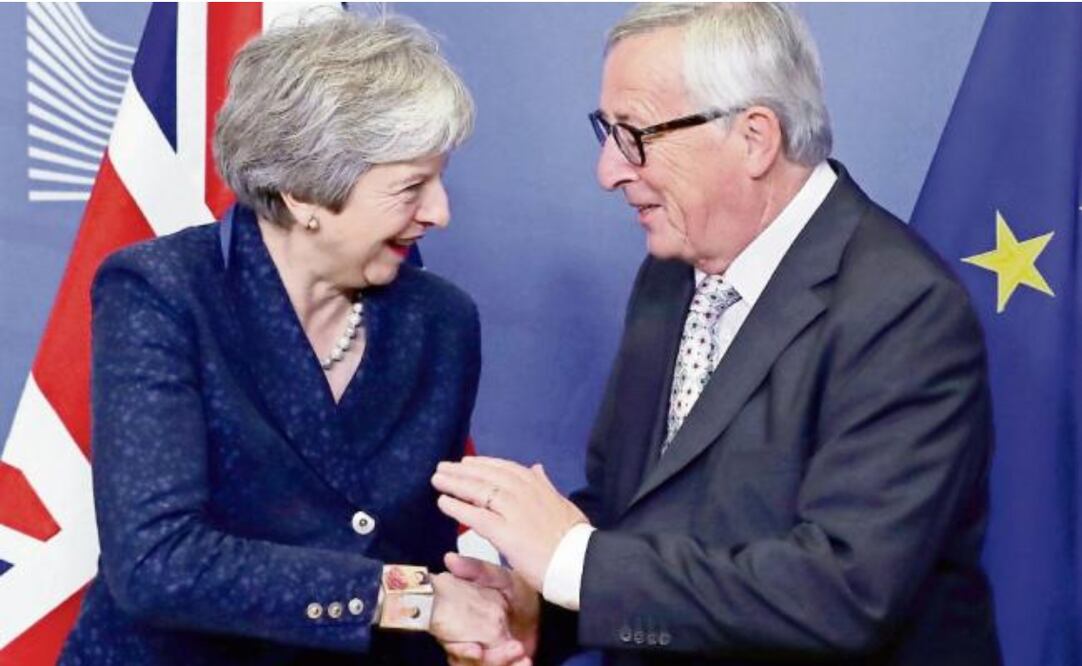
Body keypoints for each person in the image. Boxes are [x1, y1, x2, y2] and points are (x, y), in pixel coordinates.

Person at [432, 3, 1001, 665]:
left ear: (755, 138)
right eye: (607, 132)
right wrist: (540, 608)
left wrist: (574, 565)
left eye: (635, 134)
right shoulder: (670, 276)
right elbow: (637, 515)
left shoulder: (905, 310)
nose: (609, 171)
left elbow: (844, 595)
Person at [60, 12, 526, 666]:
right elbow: (157, 562)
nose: (439, 211)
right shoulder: (163, 292)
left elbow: (415, 545)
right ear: (304, 191)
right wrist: (412, 598)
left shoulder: (442, 321)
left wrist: (473, 636)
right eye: (411, 186)